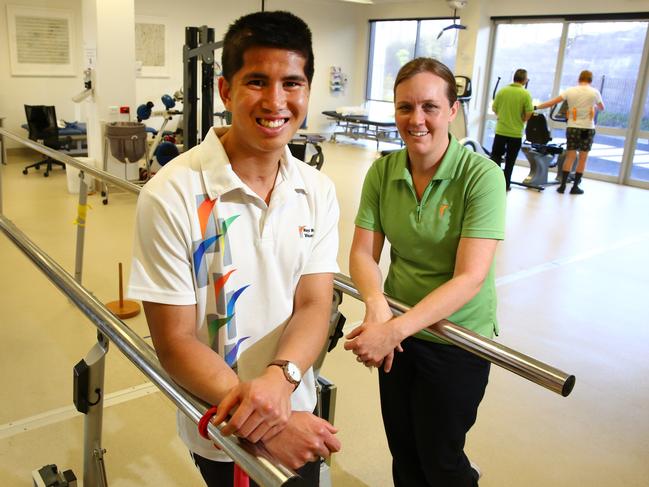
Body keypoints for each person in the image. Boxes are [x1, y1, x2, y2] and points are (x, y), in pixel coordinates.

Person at [128, 11, 341, 487]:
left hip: (295, 404)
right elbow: (175, 340)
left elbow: (313, 303)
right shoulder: (171, 194)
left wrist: (281, 383)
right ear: (225, 91)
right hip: (222, 426)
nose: (276, 101)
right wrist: (270, 426)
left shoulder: (317, 190)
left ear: (307, 90)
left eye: (292, 83)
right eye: (257, 82)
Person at [344, 57, 506, 487]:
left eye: (430, 107)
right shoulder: (383, 171)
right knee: (405, 452)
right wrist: (378, 309)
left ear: (452, 111)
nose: (416, 120)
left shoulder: (481, 176)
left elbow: (470, 277)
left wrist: (393, 330)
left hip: (457, 339)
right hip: (398, 330)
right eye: (405, 107)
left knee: (442, 460)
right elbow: (362, 253)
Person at [536, 70, 604, 194]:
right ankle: (575, 187)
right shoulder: (595, 92)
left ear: (579, 79)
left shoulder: (570, 91)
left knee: (570, 156)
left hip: (572, 127)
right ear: (590, 80)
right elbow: (601, 108)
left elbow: (552, 103)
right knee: (583, 158)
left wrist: (537, 107)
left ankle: (562, 186)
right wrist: (593, 106)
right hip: (588, 128)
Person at [490, 68, 534, 191]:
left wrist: (502, 115)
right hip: (515, 133)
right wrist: (522, 120)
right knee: (510, 160)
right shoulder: (525, 94)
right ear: (525, 80)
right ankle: (506, 184)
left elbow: (494, 108)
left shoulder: (502, 91)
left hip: (500, 131)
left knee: (495, 158)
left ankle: (494, 182)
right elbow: (529, 112)